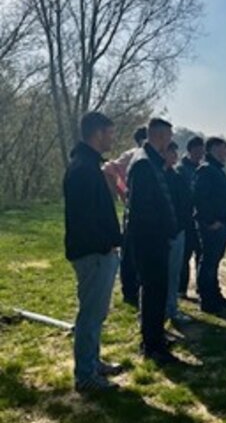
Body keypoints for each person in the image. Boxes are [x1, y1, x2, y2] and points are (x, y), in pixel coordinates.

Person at [63, 111, 123, 392]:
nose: (112, 137)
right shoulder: (82, 169)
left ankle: (93, 361)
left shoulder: (89, 165)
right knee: (89, 315)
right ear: (98, 133)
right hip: (93, 254)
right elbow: (83, 219)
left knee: (96, 313)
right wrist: (105, 245)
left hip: (99, 252)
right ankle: (85, 375)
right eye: (110, 133)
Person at [127, 118, 179, 363]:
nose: (170, 141)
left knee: (158, 291)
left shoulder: (153, 162)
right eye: (168, 136)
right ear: (158, 136)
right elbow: (143, 210)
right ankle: (151, 345)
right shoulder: (143, 164)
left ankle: (157, 335)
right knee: (152, 291)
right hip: (149, 241)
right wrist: (161, 233)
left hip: (158, 239)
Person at [103, 125, 147, 308]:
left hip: (146, 211)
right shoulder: (133, 155)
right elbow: (108, 169)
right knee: (130, 252)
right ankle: (130, 290)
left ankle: (138, 287)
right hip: (134, 210)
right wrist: (120, 193)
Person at [194, 136, 226, 313]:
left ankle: (214, 294)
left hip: (223, 223)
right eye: (222, 149)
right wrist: (211, 221)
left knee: (214, 262)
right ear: (212, 150)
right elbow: (200, 198)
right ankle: (207, 299)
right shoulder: (206, 170)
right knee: (208, 262)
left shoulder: (216, 169)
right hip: (213, 226)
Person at [165, 141, 193, 328]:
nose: (174, 156)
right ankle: (167, 310)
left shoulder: (176, 174)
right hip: (168, 232)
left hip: (180, 229)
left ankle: (171, 307)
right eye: (170, 152)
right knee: (165, 275)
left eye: (175, 152)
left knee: (174, 273)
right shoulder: (160, 176)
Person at [176, 135, 205, 298]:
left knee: (201, 254)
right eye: (197, 150)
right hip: (187, 219)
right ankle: (181, 288)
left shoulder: (201, 168)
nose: (200, 154)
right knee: (184, 256)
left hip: (199, 219)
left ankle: (201, 287)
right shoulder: (181, 169)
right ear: (190, 150)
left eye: (202, 151)